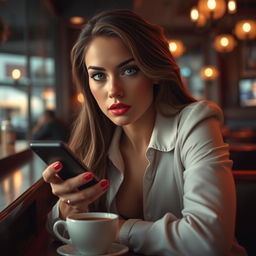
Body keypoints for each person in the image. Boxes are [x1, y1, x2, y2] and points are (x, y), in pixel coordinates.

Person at [42, 10, 247, 256]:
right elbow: (55, 228)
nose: (113, 90)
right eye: (98, 75)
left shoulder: (195, 122)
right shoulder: (93, 142)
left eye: (129, 70)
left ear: (154, 73)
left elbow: (209, 242)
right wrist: (69, 208)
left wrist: (112, 229)